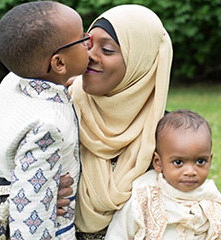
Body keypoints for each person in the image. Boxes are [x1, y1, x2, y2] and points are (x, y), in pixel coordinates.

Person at [0, 1, 91, 239]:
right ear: (59, 63)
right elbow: (32, 218)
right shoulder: (47, 126)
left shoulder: (14, 79)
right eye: (82, 39)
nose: (89, 42)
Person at [69, 4, 173, 238]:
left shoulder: (167, 134)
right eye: (88, 44)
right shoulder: (59, 108)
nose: (89, 56)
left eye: (106, 49)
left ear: (141, 61)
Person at [105, 110, 221, 239]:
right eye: (178, 162)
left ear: (210, 159)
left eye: (200, 161)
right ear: (158, 162)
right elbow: (118, 233)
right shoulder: (144, 196)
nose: (190, 171)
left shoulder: (210, 197)